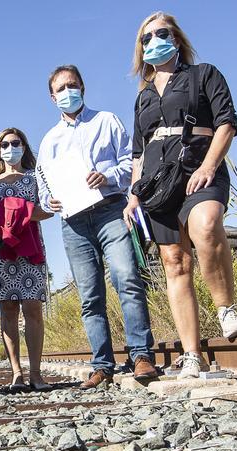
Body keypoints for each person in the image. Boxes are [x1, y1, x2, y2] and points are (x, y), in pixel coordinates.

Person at [126, 12, 237, 378]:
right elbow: (138, 151)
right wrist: (134, 196)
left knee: (206, 224)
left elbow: (226, 123)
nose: (153, 42)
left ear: (176, 38)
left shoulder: (203, 75)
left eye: (160, 34)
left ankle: (226, 309)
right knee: (175, 263)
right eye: (145, 39)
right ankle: (192, 353)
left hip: (199, 169)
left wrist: (210, 166)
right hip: (156, 186)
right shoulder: (143, 97)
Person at [36, 65, 158, 389]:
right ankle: (102, 365)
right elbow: (43, 184)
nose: (67, 92)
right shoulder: (49, 141)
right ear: (52, 97)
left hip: (109, 210)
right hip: (74, 224)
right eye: (60, 89)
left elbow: (129, 163)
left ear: (83, 88)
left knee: (127, 278)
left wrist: (108, 177)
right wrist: (50, 202)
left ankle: (141, 354)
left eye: (72, 86)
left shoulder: (107, 121)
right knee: (90, 296)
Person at [0, 128, 52, 390]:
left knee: (33, 308)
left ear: (24, 145)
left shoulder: (34, 177)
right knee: (8, 309)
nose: (10, 148)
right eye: (4, 144)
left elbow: (48, 211)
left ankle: (36, 373)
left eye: (15, 142)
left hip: (29, 249)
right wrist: (15, 209)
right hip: (0, 249)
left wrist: (15, 210)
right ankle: (16, 373)